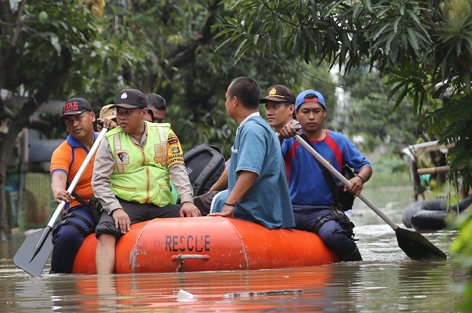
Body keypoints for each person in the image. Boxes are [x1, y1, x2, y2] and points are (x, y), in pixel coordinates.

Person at [91, 89, 200, 274]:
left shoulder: (166, 133)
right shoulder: (110, 140)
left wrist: (187, 201)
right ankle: (105, 291)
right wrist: (115, 209)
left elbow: (177, 168)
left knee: (195, 221)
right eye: (119, 112)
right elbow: (99, 182)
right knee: (106, 233)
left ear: (143, 113)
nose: (122, 117)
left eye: (128, 112)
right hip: (125, 204)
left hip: (161, 203)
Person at [282, 89, 372, 261]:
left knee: (333, 235)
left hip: (323, 212)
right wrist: (280, 136)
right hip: (291, 210)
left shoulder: (338, 141)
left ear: (324, 113)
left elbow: (365, 166)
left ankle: (356, 267)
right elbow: (271, 160)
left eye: (316, 111)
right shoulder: (287, 140)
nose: (311, 117)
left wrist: (359, 178)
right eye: (305, 111)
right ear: (295, 114)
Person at [209, 78, 294, 229]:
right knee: (205, 198)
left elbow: (250, 171)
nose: (225, 103)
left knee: (188, 208)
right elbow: (231, 170)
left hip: (254, 211)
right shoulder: (254, 127)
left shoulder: (252, 130)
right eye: (268, 107)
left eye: (226, 98)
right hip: (254, 205)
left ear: (234, 101)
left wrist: (229, 204)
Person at [49, 98, 100, 273]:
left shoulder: (108, 141)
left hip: (115, 201)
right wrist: (58, 192)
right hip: (83, 207)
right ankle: (58, 278)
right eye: (69, 121)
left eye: (79, 118)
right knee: (66, 235)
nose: (74, 124)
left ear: (92, 116)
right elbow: (58, 178)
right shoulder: (63, 151)